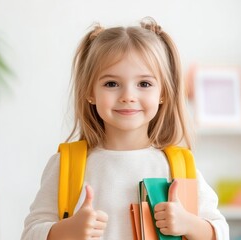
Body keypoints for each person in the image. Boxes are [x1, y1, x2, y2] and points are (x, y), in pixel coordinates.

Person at [21, 17, 229, 240]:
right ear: (90, 92)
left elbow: (221, 232)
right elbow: (31, 233)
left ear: (163, 94)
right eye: (111, 84)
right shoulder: (66, 165)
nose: (128, 96)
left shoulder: (177, 165)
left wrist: (189, 224)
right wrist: (66, 231)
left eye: (144, 84)